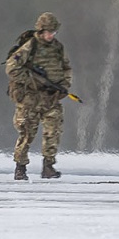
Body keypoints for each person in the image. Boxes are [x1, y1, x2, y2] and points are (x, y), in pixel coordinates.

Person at [4, 11, 71, 180]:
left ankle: (48, 166)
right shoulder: (29, 47)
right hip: (30, 99)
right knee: (27, 132)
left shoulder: (57, 48)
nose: (51, 35)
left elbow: (66, 68)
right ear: (41, 31)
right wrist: (32, 82)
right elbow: (12, 68)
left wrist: (64, 85)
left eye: (53, 32)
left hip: (51, 97)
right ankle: (20, 168)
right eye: (48, 32)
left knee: (53, 131)